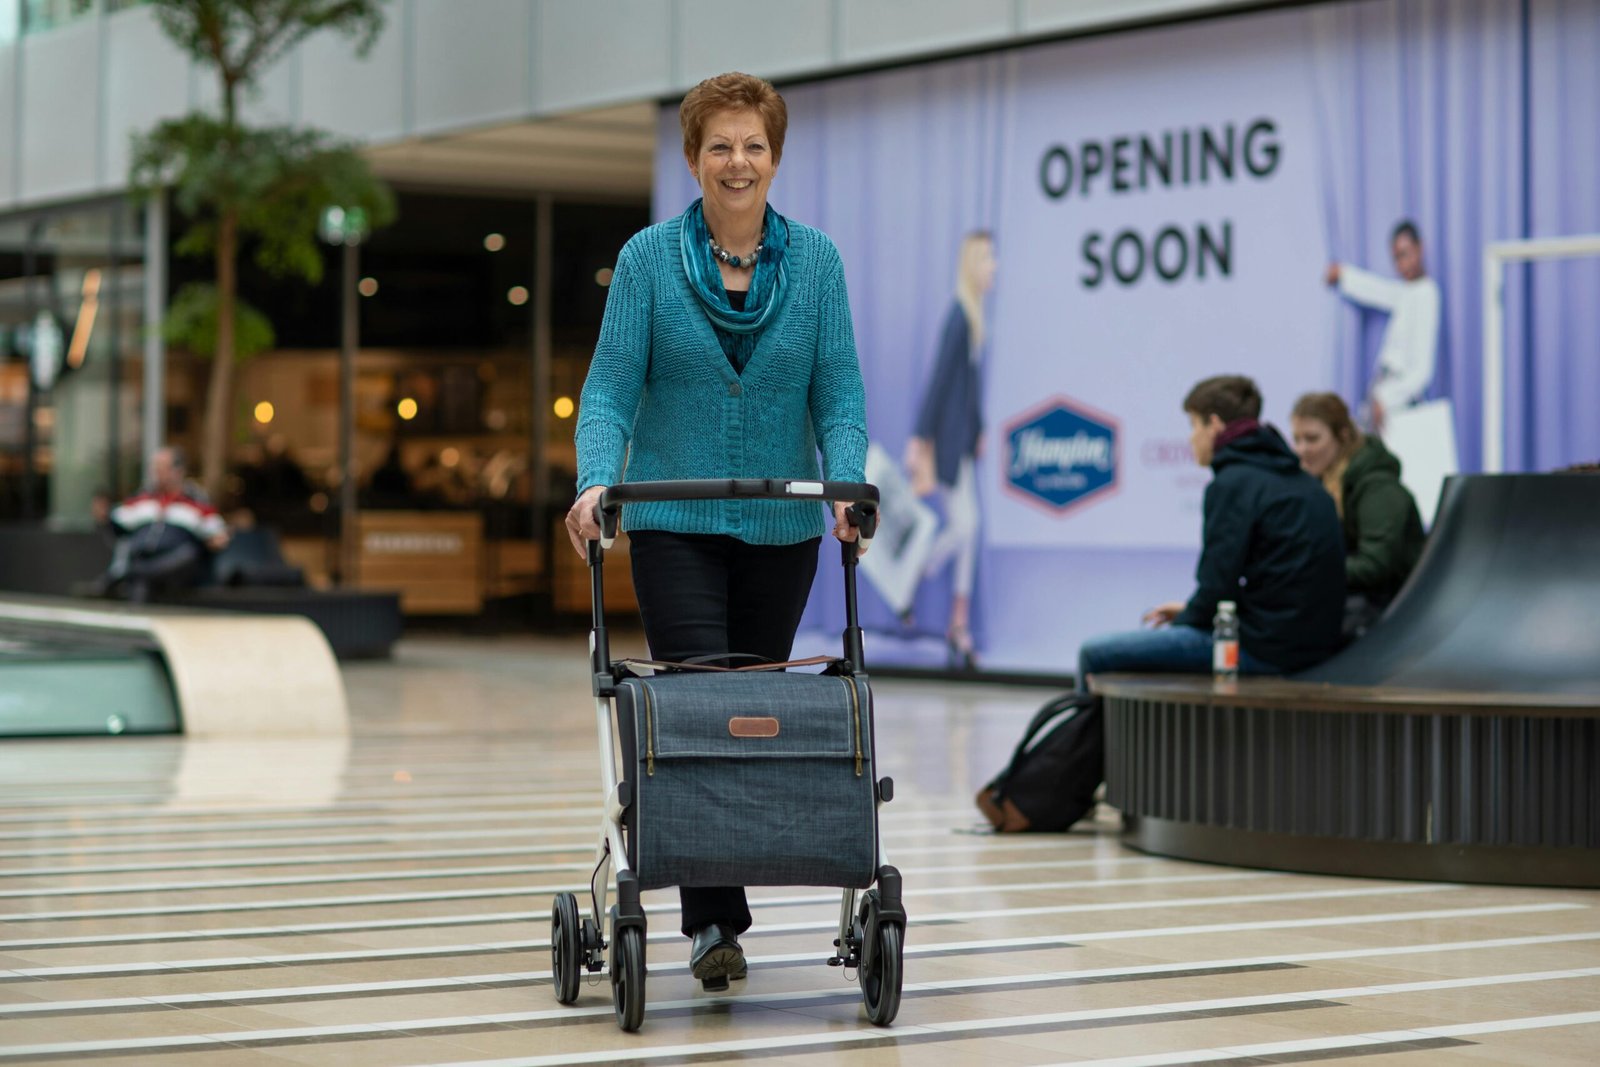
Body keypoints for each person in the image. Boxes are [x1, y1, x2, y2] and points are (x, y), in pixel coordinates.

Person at [564, 72, 868, 993]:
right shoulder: (651, 260)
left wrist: (847, 485)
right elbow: (612, 385)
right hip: (674, 520)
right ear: (693, 159)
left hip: (782, 528)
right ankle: (714, 924)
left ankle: (718, 902)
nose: (738, 163)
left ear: (775, 157)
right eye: (720, 147)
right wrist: (593, 480)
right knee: (697, 703)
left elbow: (839, 388)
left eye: (754, 146)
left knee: (752, 711)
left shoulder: (815, 263)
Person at [1077, 375, 1344, 686]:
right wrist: (1192, 611)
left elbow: (1218, 586)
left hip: (1263, 651)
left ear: (1214, 425)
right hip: (1309, 648)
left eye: (1193, 426)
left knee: (1094, 654)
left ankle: (1091, 738)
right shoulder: (1301, 482)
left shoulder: (1233, 483)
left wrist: (1192, 617)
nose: (1191, 439)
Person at [904, 231, 996, 670]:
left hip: (961, 443)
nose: (995, 268)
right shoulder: (959, 316)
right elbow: (939, 381)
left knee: (970, 530)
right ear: (974, 264)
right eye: (990, 259)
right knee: (967, 528)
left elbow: (968, 388)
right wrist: (919, 440)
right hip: (947, 441)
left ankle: (958, 623)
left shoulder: (975, 317)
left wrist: (978, 429)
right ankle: (917, 568)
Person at [1290, 392, 1425, 638]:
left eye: (1312, 439)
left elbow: (1375, 565)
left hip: (1392, 608)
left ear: (1342, 436)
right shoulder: (1321, 484)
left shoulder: (1377, 485)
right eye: (1297, 439)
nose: (1302, 450)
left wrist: (1307, 572)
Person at [1324, 220, 1440, 433]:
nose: (1401, 265)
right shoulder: (1407, 292)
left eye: (1405, 254)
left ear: (1420, 248)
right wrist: (1344, 275)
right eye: (1396, 258)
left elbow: (1422, 371)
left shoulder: (1427, 294)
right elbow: (1377, 289)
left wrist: (1386, 398)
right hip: (1381, 393)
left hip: (1397, 402)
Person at [91, 446, 229, 602]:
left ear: (178, 471)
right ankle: (135, 577)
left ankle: (127, 575)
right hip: (144, 557)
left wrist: (217, 538)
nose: (156, 473)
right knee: (137, 571)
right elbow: (117, 521)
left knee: (186, 555)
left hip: (176, 565)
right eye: (155, 468)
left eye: (162, 468)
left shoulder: (195, 501)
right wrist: (104, 514)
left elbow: (217, 531)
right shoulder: (142, 498)